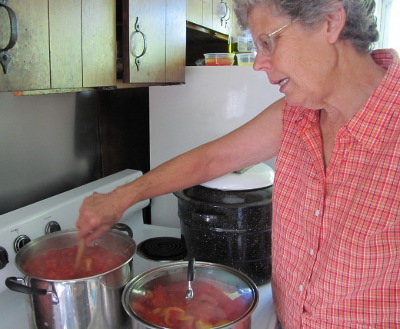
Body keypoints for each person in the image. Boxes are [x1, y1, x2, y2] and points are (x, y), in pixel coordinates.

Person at [77, 0, 399, 327]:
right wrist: (121, 197)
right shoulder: (298, 115)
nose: (259, 63)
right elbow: (212, 159)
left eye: (268, 42)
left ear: (329, 22)